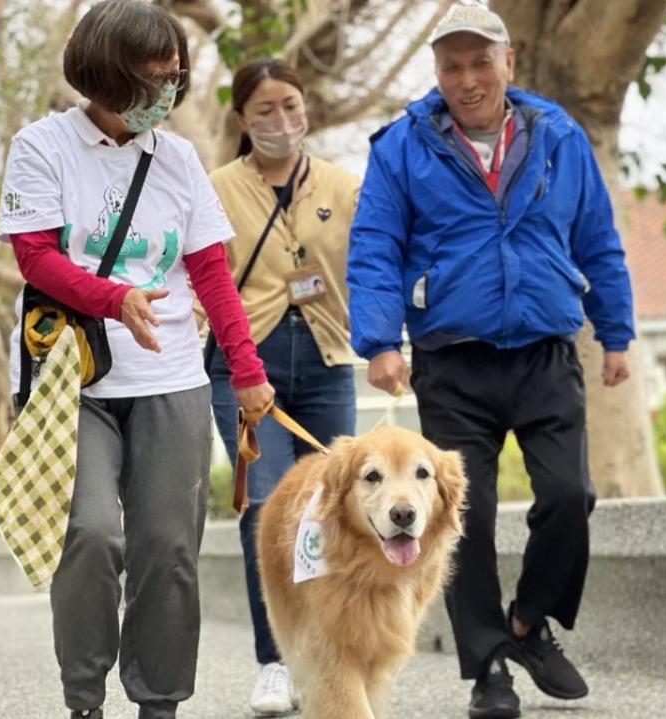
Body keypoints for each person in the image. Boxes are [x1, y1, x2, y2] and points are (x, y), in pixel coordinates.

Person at [347, 4, 635, 719]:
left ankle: (530, 623)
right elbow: (375, 248)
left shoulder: (558, 136)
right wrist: (382, 341)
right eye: (452, 66)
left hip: (545, 350)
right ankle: (487, 669)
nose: (468, 79)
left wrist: (617, 330)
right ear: (437, 73)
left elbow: (597, 237)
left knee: (571, 495)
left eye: (481, 62)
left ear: (509, 62)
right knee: (460, 516)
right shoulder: (401, 147)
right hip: (453, 358)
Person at [0, 2, 273, 718]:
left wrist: (246, 371)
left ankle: (159, 702)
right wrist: (116, 299)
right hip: (71, 376)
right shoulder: (42, 146)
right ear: (105, 73)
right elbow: (36, 258)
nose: (166, 94)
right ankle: (84, 697)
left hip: (172, 373)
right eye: (152, 80)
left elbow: (212, 273)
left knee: (170, 548)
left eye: (175, 79)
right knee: (88, 532)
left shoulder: (178, 158)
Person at [204, 58, 359, 717]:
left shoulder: (343, 185)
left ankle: (324, 650)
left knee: (334, 506)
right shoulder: (215, 188)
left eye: (291, 106)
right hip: (247, 364)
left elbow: (367, 263)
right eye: (264, 110)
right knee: (267, 508)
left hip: (326, 357)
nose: (280, 121)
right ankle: (273, 660)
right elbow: (203, 275)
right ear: (241, 119)